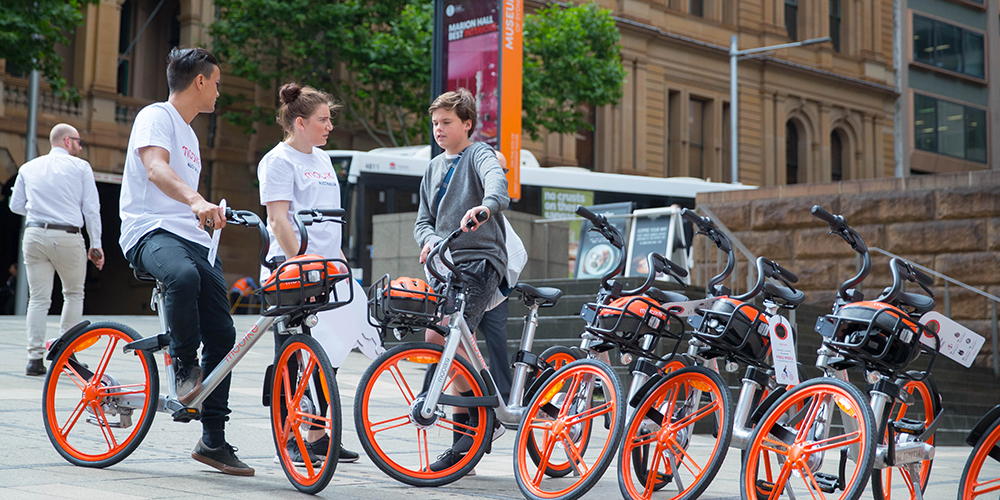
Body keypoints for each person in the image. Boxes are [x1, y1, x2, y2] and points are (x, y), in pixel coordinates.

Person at [118, 47, 252, 476]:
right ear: (200, 81)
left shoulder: (192, 137)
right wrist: (197, 200)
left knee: (225, 334)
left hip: (192, 239)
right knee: (181, 274)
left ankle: (212, 440)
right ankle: (183, 366)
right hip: (148, 232)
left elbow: (185, 198)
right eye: (217, 83)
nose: (218, 92)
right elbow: (156, 169)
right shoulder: (155, 116)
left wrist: (210, 215)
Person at [257, 82, 381, 466]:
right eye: (323, 120)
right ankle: (292, 436)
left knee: (332, 348)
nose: (330, 126)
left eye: (330, 119)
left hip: (329, 267)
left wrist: (341, 267)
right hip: (291, 270)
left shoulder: (323, 161)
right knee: (295, 357)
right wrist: (303, 264)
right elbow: (279, 221)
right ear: (300, 122)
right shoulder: (278, 161)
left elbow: (329, 223)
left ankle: (316, 434)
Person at [414, 88, 509, 472]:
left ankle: (463, 445)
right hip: (446, 262)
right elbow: (422, 221)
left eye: (447, 122)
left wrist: (485, 208)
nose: (439, 129)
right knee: (440, 342)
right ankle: (483, 418)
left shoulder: (479, 154)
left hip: (481, 260)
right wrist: (432, 240)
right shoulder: (432, 168)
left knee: (445, 341)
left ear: (467, 124)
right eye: (435, 123)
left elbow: (497, 187)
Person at [9, 123, 104, 376]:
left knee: (38, 299)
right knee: (73, 294)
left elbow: (15, 205)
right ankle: (66, 354)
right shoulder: (80, 167)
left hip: (34, 234)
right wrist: (96, 244)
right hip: (67, 235)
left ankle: (34, 358)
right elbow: (91, 209)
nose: (80, 147)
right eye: (78, 142)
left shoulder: (28, 168)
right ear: (66, 141)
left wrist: (38, 209)